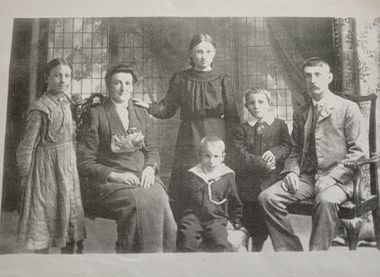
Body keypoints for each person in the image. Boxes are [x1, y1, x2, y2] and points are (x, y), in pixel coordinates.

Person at [258, 57, 368, 251]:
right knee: (268, 198)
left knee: (325, 200)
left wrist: (332, 177)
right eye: (308, 76)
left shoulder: (348, 108)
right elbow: (295, 148)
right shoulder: (301, 112)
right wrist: (292, 172)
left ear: (329, 77)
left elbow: (358, 152)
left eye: (318, 75)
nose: (313, 80)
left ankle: (317, 258)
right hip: (308, 177)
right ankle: (291, 253)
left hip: (342, 179)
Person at [133, 33, 239, 217]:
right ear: (191, 53)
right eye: (199, 52)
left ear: (214, 53)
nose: (203, 56)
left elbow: (232, 115)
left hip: (218, 133)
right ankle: (188, 223)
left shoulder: (223, 79)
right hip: (190, 134)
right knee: (189, 178)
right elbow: (168, 108)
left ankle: (217, 220)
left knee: (216, 175)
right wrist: (149, 107)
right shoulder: (181, 78)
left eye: (208, 51)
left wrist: (234, 142)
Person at [77, 63, 177, 253]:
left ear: (133, 87)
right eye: (117, 83)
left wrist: (150, 168)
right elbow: (85, 162)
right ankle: (132, 260)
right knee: (136, 203)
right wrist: (115, 175)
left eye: (128, 83)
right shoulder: (96, 115)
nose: (123, 88)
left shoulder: (141, 114)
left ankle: (159, 262)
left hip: (143, 177)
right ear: (108, 86)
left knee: (161, 201)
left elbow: (152, 150)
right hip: (110, 183)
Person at [16, 58, 86, 254]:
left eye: (66, 75)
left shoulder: (66, 101)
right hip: (45, 168)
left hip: (67, 163)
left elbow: (70, 134)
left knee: (70, 206)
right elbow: (27, 145)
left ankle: (70, 254)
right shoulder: (40, 108)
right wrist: (25, 175)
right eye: (56, 75)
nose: (62, 80)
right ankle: (42, 260)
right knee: (46, 210)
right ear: (47, 78)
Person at [232, 87, 291, 251]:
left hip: (272, 179)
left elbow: (287, 146)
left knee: (267, 215)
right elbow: (240, 155)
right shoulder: (241, 129)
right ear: (246, 106)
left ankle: (261, 246)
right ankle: (246, 242)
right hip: (249, 181)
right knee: (251, 214)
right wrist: (262, 164)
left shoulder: (279, 125)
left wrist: (275, 152)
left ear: (269, 104)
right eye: (251, 103)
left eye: (260, 102)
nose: (256, 106)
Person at [176, 136, 244, 252]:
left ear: (222, 157)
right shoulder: (193, 175)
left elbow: (235, 202)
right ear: (200, 155)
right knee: (188, 239)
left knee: (220, 241)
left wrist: (236, 223)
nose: (211, 161)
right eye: (207, 156)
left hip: (216, 218)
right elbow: (182, 200)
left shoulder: (227, 176)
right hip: (193, 217)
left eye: (216, 156)